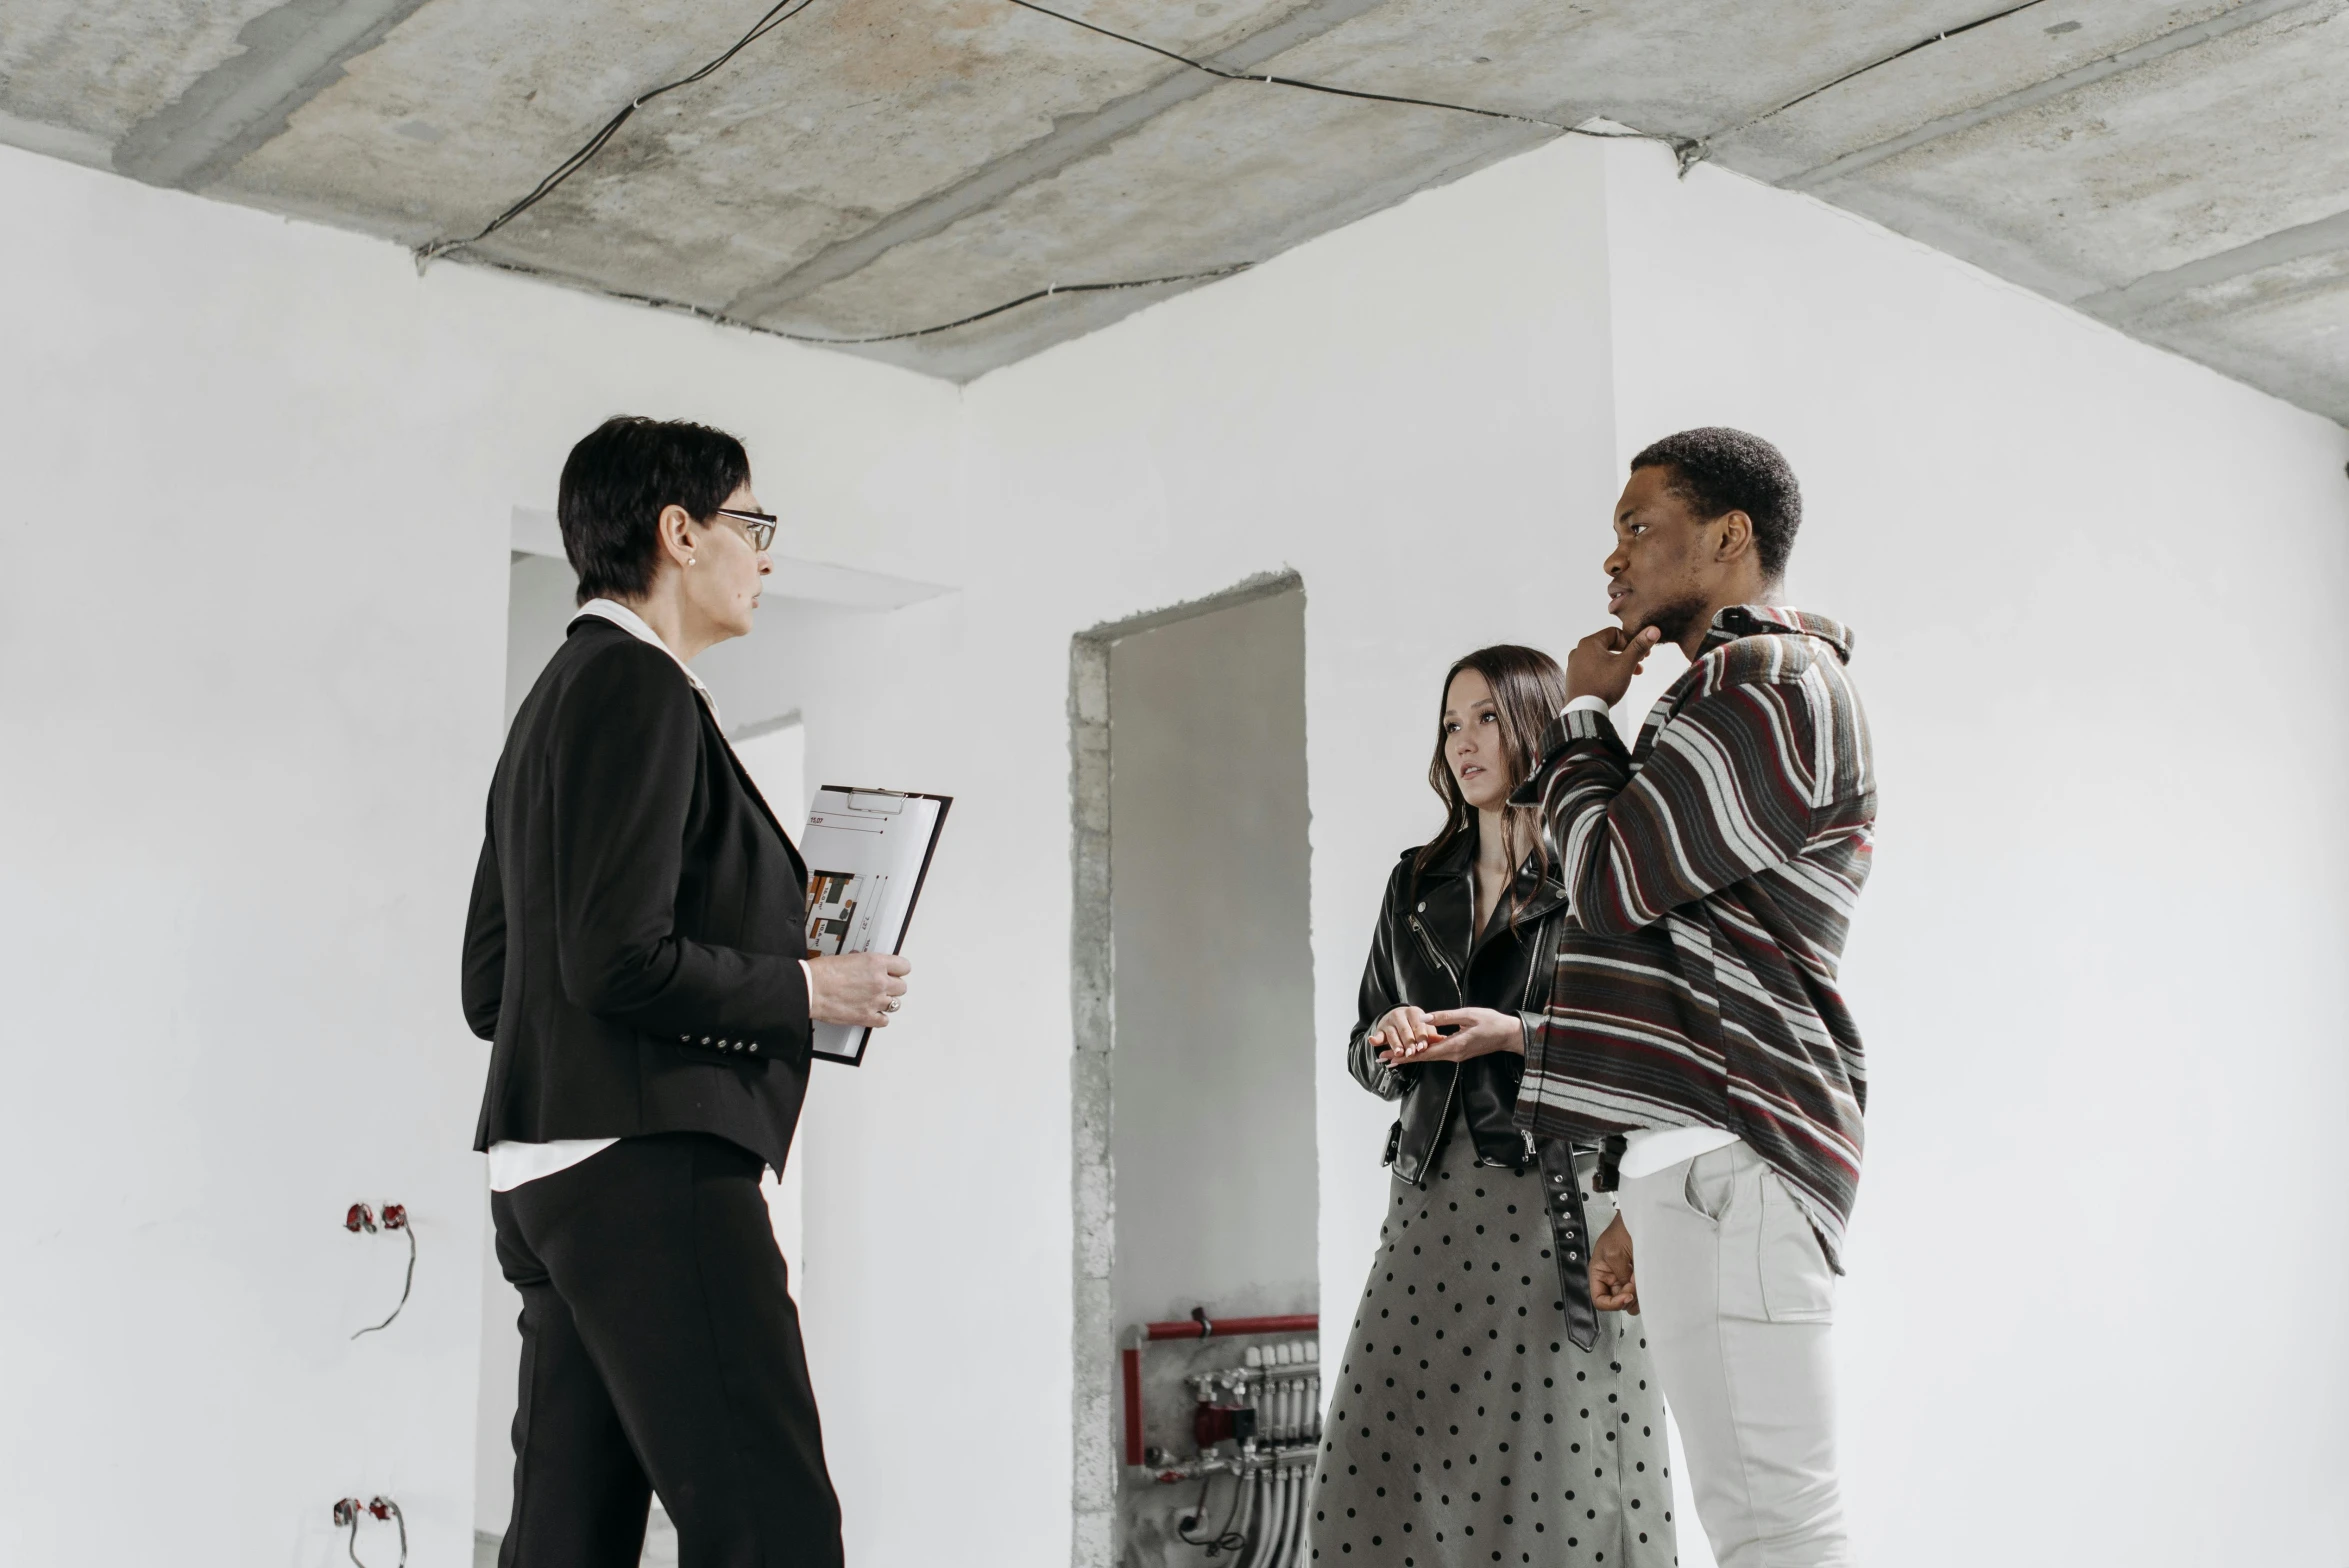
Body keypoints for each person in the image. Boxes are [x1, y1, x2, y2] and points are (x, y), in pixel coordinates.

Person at [1394, 428, 1874, 1568]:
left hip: (1742, 1152)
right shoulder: (1711, 695)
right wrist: (1631, 1184)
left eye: (1637, 526)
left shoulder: (1776, 683)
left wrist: (1576, 714)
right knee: (1750, 1522)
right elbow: (1667, 945)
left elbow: (1610, 882)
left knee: (1776, 1529)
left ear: (1728, 537)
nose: (1613, 559)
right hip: (1695, 1159)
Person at [460, 415, 910, 1568]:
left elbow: (490, 984)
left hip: (547, 1179)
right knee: (774, 1526)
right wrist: (806, 984)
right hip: (650, 1163)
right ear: (678, 532)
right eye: (751, 525)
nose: (764, 556)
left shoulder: (551, 704)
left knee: (568, 1536)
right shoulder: (643, 687)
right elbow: (615, 960)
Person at [1311, 645, 1676, 1568]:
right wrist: (1387, 1037)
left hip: (1553, 1206)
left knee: (1554, 1476)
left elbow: (1641, 1053)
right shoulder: (1414, 882)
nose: (1464, 742)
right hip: (1427, 1204)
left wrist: (1512, 1035)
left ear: (1532, 726)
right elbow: (1364, 1048)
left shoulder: (1594, 881)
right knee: (1377, 1465)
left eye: (1484, 719)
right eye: (1449, 723)